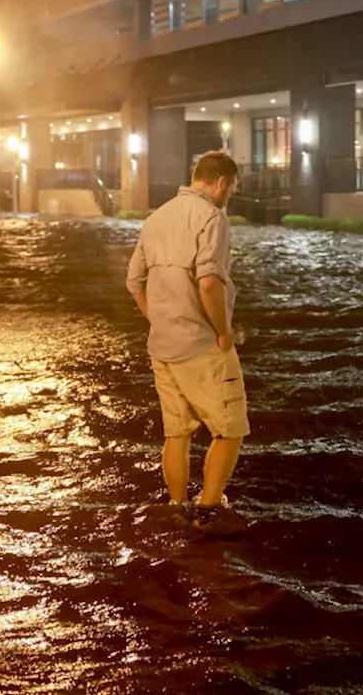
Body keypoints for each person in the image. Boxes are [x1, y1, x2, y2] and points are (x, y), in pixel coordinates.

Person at [126, 151, 248, 532]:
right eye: (232, 189)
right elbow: (209, 282)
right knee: (230, 429)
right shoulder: (212, 217)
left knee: (176, 432)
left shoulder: (156, 217)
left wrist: (159, 320)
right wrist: (223, 332)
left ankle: (177, 506)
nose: (229, 196)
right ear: (221, 182)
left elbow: (134, 282)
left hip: (162, 345)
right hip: (201, 346)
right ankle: (208, 512)